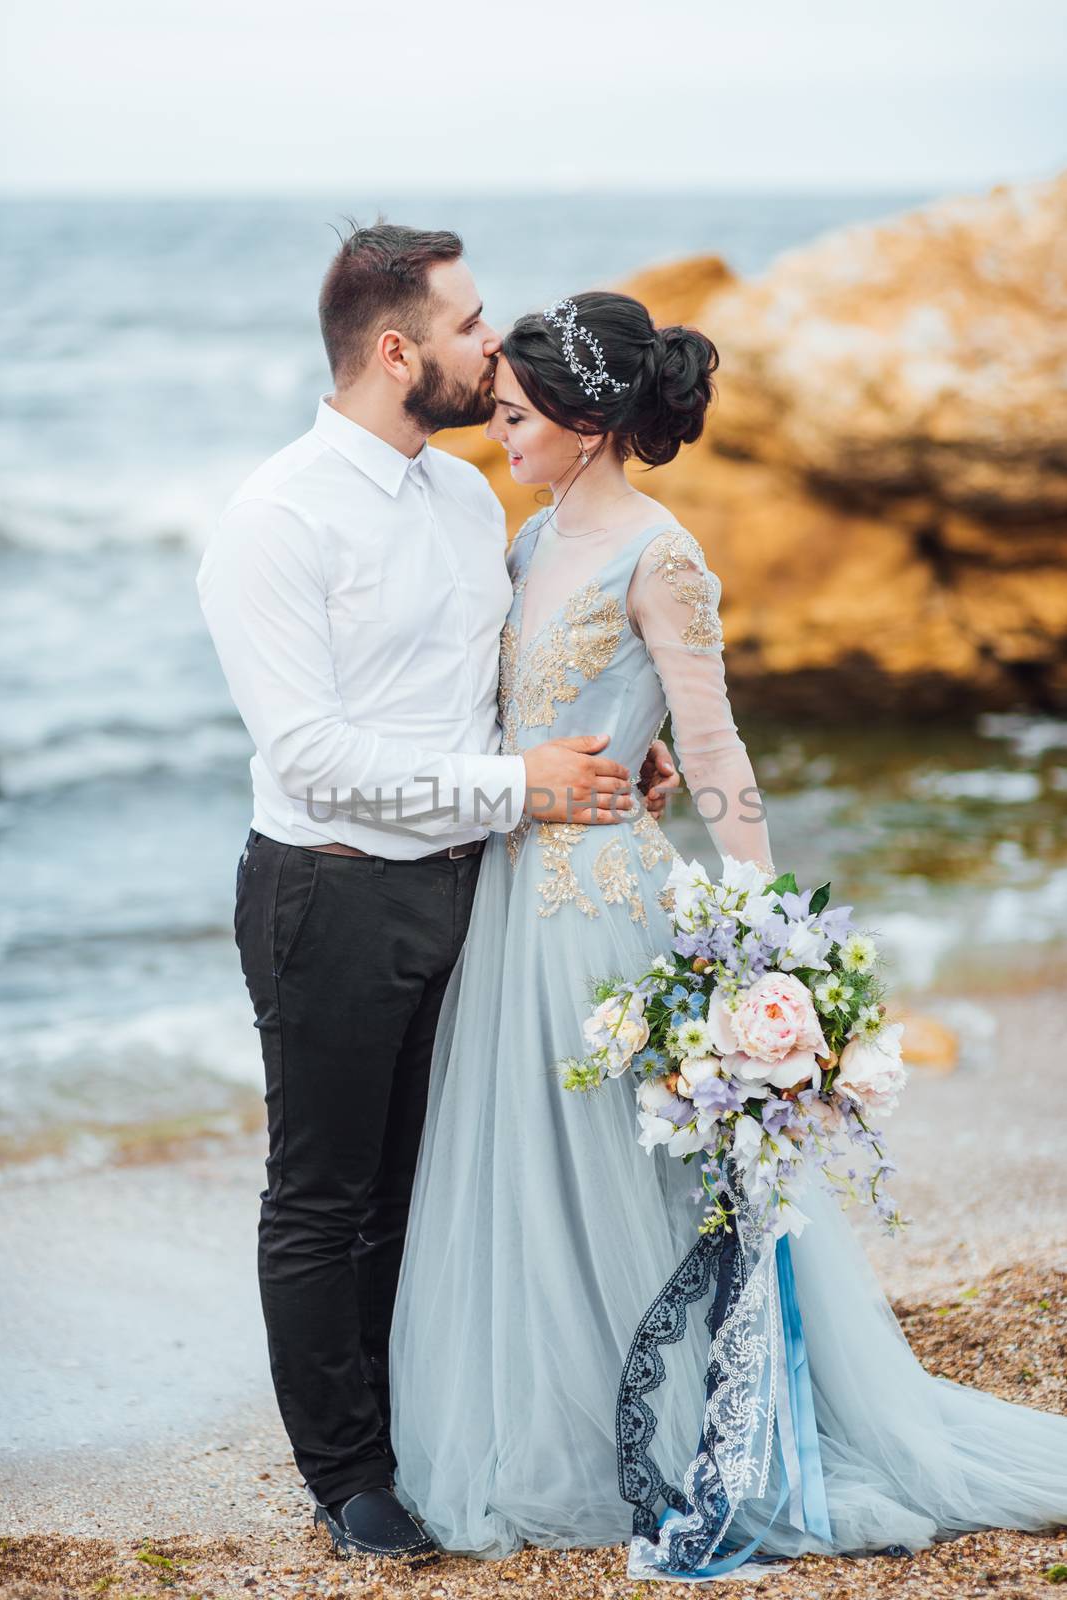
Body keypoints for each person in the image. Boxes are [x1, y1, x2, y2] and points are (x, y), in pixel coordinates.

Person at [388, 291, 1067, 1572]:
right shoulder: (530, 548)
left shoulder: (663, 554)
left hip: (599, 904)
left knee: (619, 1172)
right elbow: (541, 716)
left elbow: (712, 743)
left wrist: (764, 930)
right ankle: (559, 1417)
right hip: (511, 890)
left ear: (590, 428)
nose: (503, 433)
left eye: (523, 418)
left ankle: (689, 1427)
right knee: (530, 1168)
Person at [195, 224, 680, 1563]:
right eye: (471, 324)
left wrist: (605, 769)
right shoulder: (275, 520)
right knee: (324, 1190)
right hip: (329, 895)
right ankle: (350, 1480)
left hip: (474, 887)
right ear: (395, 347)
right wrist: (520, 785)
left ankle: (413, 1429)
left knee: (421, 1179)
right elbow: (314, 759)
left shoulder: (472, 502)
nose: (496, 344)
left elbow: (497, 704)